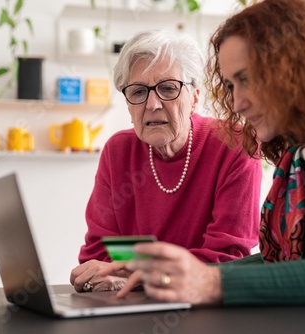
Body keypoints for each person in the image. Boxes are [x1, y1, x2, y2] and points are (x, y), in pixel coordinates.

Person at [99, 0, 305, 305]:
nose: (236, 104)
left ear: (293, 67)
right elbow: (283, 261)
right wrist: (178, 277)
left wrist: (208, 282)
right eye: (231, 85)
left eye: (247, 79)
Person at [70, 30, 262, 293]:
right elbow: (98, 254)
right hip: (126, 307)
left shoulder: (236, 145)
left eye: (168, 88)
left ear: (195, 97)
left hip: (206, 311)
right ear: (128, 105)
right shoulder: (118, 151)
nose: (152, 104)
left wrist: (133, 273)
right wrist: (120, 274)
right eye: (138, 92)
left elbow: (226, 258)